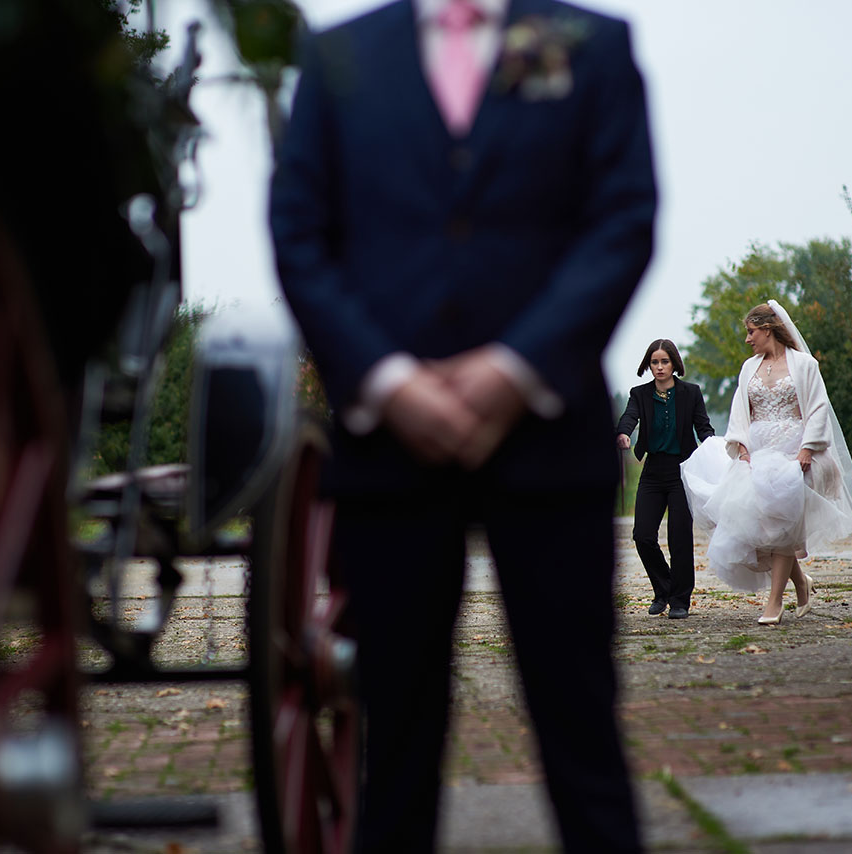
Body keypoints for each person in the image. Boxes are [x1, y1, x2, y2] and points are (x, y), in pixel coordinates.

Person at [268, 0, 656, 850]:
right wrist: (390, 380)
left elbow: (623, 220)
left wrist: (515, 368)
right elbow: (299, 233)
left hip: (549, 442)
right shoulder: (338, 58)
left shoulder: (593, 44)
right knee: (393, 751)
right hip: (388, 450)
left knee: (583, 736)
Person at [681, 300, 852, 624]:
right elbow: (741, 410)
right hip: (759, 451)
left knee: (782, 523)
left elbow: (818, 408)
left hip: (794, 453)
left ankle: (774, 602)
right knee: (766, 527)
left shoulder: (804, 365)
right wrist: (740, 446)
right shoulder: (749, 368)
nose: (748, 339)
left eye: (751, 332)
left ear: (768, 329)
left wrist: (808, 448)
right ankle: (801, 583)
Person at [615, 339, 714, 619]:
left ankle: (680, 600)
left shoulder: (691, 393)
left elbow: (703, 428)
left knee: (679, 537)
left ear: (674, 364)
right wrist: (622, 434)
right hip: (653, 471)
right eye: (654, 362)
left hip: (682, 472)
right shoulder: (639, 394)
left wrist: (717, 451)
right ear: (649, 364)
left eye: (664, 362)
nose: (659, 367)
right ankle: (664, 589)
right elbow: (629, 418)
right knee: (643, 535)